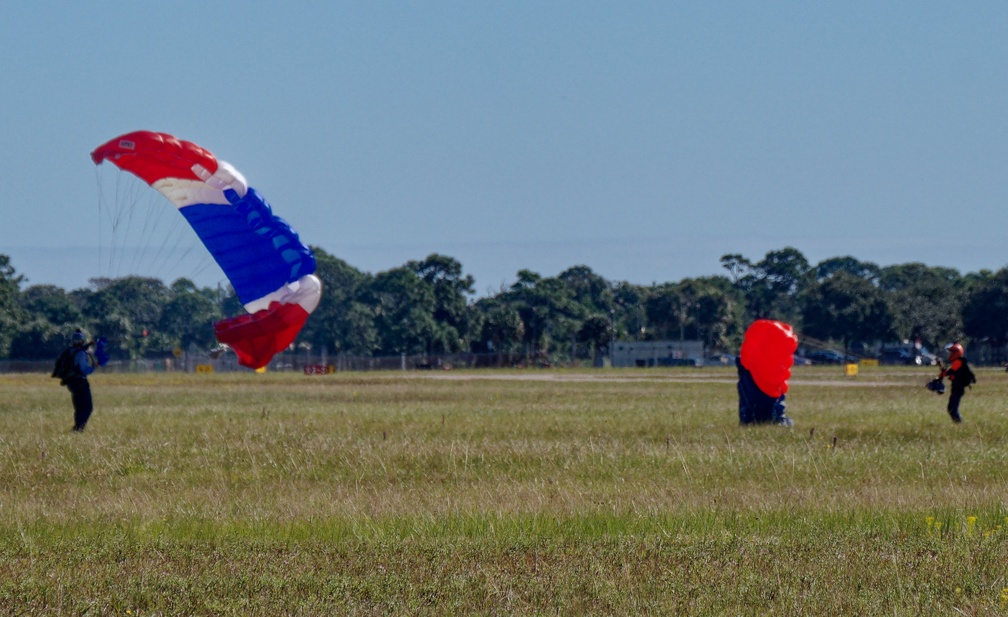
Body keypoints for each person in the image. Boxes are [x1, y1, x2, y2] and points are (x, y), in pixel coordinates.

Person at [52, 329, 96, 432]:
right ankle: (79, 428)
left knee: (79, 406)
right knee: (87, 407)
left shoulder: (69, 352)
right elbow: (84, 369)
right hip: (80, 382)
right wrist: (94, 367)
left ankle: (77, 427)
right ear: (82, 341)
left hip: (71, 383)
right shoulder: (81, 354)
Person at [938, 342, 976, 423]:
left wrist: (942, 374)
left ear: (956, 353)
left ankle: (959, 423)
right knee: (951, 408)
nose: (950, 354)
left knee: (952, 408)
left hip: (958, 388)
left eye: (952, 352)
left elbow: (951, 372)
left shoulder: (958, 362)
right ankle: (957, 423)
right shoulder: (957, 361)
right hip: (956, 388)